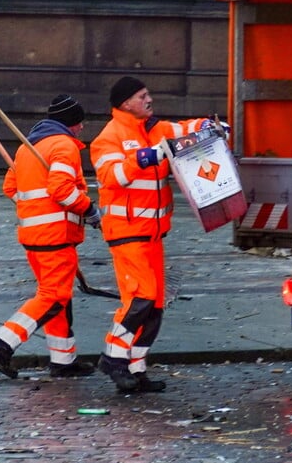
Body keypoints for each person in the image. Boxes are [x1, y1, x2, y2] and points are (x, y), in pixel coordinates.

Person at [91, 77, 216, 393]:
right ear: (125, 103)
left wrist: (213, 125)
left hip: (152, 234)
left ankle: (135, 369)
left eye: (148, 93)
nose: (149, 99)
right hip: (127, 232)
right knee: (141, 298)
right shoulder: (109, 138)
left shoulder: (155, 129)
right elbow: (111, 175)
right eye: (142, 95)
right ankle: (112, 357)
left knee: (155, 304)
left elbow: (186, 129)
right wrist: (146, 157)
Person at [0, 95, 102, 379]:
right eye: (79, 122)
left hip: (33, 235)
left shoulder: (28, 148)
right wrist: (90, 210)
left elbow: (11, 188)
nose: (82, 127)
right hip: (55, 235)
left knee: (57, 297)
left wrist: (37, 210)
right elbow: (62, 191)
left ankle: (63, 361)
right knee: (54, 296)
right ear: (70, 123)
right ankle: (2, 341)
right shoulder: (63, 146)